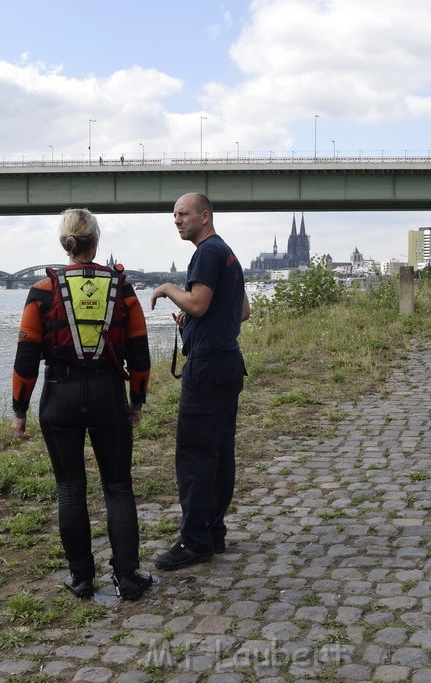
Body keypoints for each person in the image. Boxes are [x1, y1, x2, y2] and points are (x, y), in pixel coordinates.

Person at [11, 208, 154, 601]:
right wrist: (136, 400)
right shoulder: (122, 288)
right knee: (118, 487)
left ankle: (81, 579)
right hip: (109, 394)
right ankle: (128, 578)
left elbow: (25, 360)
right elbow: (139, 355)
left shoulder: (42, 289)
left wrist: (19, 412)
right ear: (96, 241)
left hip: (60, 397)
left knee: (70, 489)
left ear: (65, 243)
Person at [150, 193, 249, 571]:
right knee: (219, 452)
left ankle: (194, 541)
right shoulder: (228, 254)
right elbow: (241, 311)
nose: (176, 220)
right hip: (228, 364)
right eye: (174, 215)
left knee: (194, 454)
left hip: (207, 369)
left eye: (183, 214)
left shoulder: (206, 253)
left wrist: (167, 289)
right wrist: (193, 321)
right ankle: (213, 531)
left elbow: (200, 303)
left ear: (204, 216)